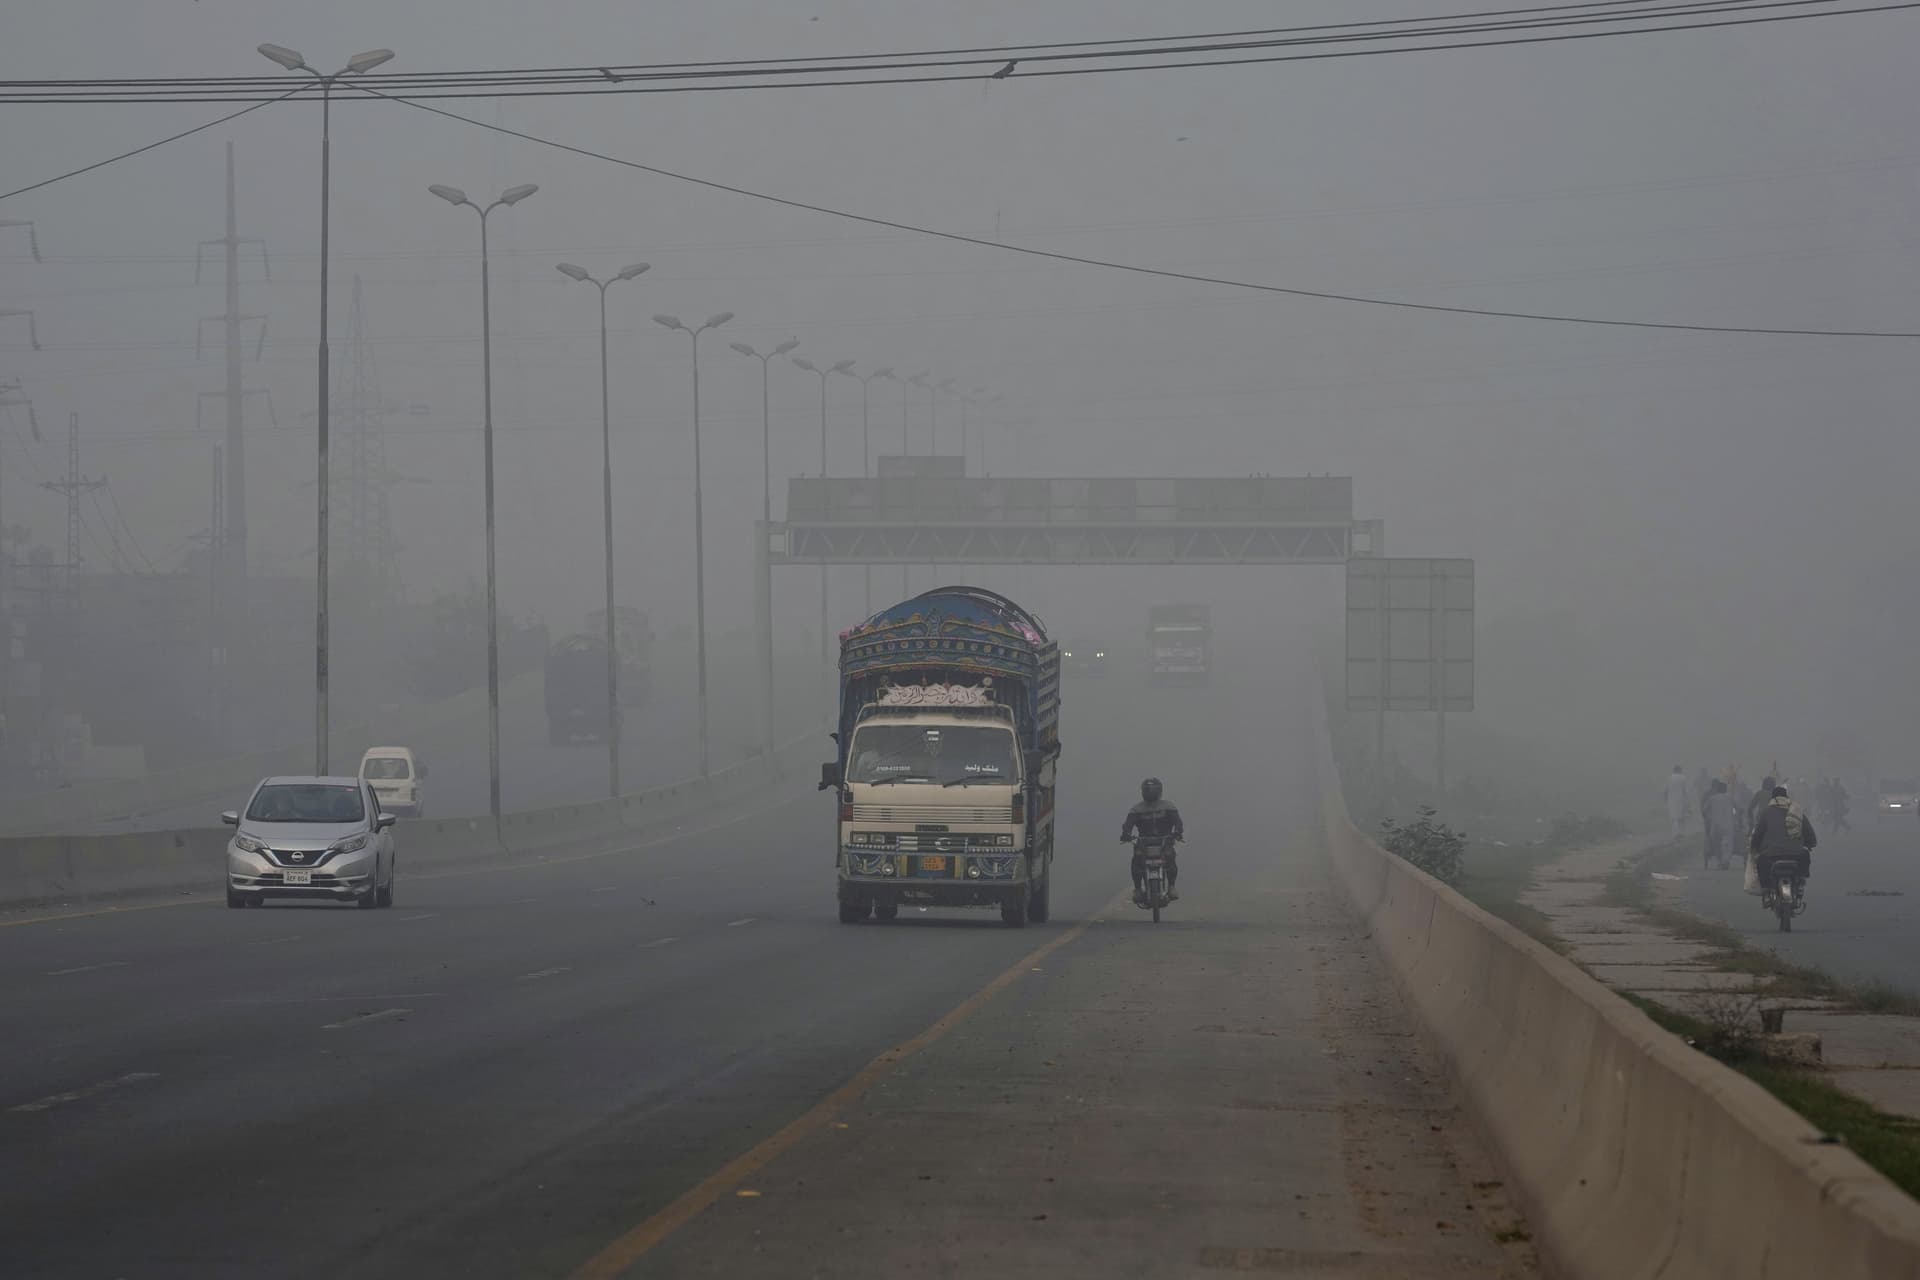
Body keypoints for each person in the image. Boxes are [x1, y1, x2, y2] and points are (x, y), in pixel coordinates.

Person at [1120, 777, 1184, 903]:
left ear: (1159, 791)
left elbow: (1177, 822)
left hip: (1165, 841)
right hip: (1144, 842)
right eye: (1147, 789)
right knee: (1137, 862)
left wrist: (1177, 833)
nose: (1150, 792)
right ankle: (1138, 889)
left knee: (1170, 858)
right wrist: (1126, 834)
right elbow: (1128, 825)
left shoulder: (1168, 806)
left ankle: (1171, 886)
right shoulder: (1136, 809)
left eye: (1153, 789)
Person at [1750, 784, 1817, 895]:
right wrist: (1810, 843)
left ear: (1772, 798)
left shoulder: (1766, 812)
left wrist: (1755, 848)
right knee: (1805, 854)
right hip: (1796, 854)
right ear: (1787, 797)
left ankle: (1766, 888)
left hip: (1772, 854)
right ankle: (1800, 882)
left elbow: (1757, 835)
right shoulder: (1797, 811)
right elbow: (1809, 832)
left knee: (1761, 861)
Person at [1702, 778, 1735, 870]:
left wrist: (1708, 818)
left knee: (1716, 844)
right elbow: (1737, 809)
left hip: (1715, 825)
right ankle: (1726, 860)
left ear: (1717, 789)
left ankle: (1719, 861)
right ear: (1725, 790)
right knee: (1727, 843)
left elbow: (1704, 810)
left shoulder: (1712, 798)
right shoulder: (1730, 798)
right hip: (1728, 824)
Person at [1665, 766, 1691, 841]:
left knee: (1674, 817)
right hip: (1681, 799)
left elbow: (1666, 790)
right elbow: (1686, 791)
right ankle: (1682, 833)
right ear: (1680, 770)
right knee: (1681, 817)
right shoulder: (1683, 777)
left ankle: (1676, 833)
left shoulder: (1669, 778)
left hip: (1671, 800)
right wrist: (1688, 802)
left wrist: (1666, 799)